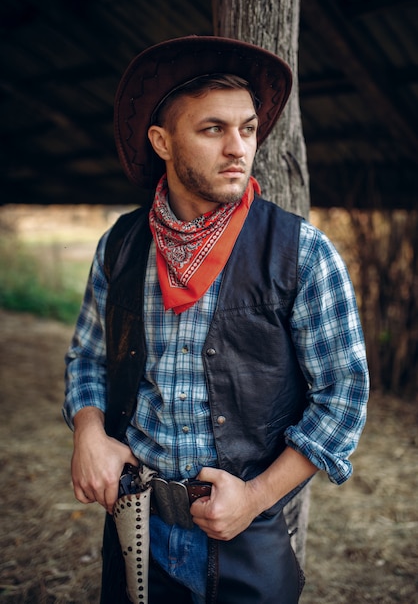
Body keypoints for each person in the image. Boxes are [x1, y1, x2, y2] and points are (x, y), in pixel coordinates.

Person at [63, 36, 369, 604]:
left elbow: (343, 397)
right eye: (213, 130)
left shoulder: (301, 251)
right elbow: (88, 356)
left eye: (247, 129)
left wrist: (254, 497)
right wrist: (88, 432)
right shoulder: (122, 247)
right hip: (137, 526)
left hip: (247, 537)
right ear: (162, 141)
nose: (239, 148)